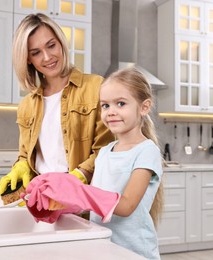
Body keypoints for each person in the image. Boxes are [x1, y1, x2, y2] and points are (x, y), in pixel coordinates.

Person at [24, 67, 164, 260]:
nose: (111, 112)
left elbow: (126, 206)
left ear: (144, 107)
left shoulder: (146, 151)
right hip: (104, 247)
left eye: (120, 103)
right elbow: (93, 204)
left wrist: (78, 191)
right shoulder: (105, 152)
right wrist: (55, 203)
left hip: (134, 252)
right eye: (105, 105)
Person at [0, 13, 114, 195]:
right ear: (28, 59)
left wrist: (79, 176)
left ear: (61, 43)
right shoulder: (26, 105)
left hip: (81, 198)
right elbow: (26, 154)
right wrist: (21, 165)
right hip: (41, 196)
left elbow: (108, 149)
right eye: (36, 52)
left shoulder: (96, 87)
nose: (47, 57)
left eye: (51, 45)